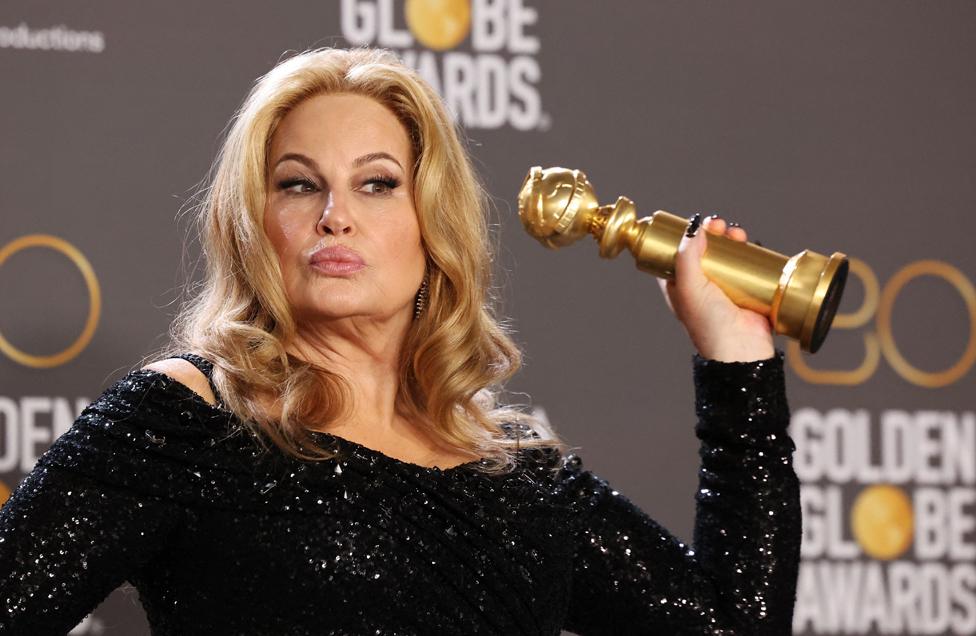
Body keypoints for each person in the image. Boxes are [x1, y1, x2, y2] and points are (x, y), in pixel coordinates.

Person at [0, 47, 799, 635]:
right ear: (254, 225)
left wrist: (738, 361)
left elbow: (734, 627)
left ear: (432, 223)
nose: (334, 216)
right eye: (298, 184)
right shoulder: (182, 422)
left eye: (377, 184)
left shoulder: (520, 478)